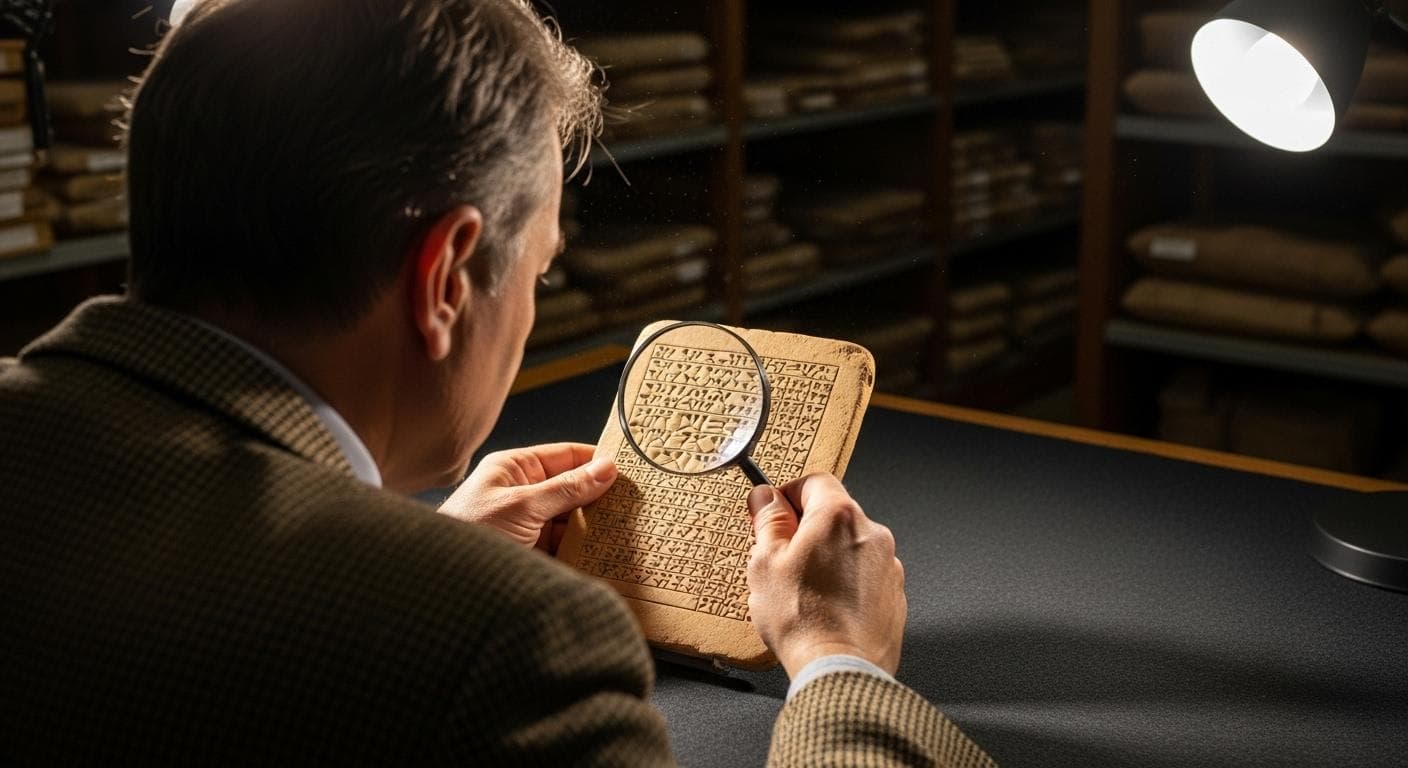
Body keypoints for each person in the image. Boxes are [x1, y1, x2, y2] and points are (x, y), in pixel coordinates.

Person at [0, 1, 995, 765]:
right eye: (540, 269)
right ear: (443, 277)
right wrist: (839, 666)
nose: (529, 303)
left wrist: (411, 557)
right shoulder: (510, 647)